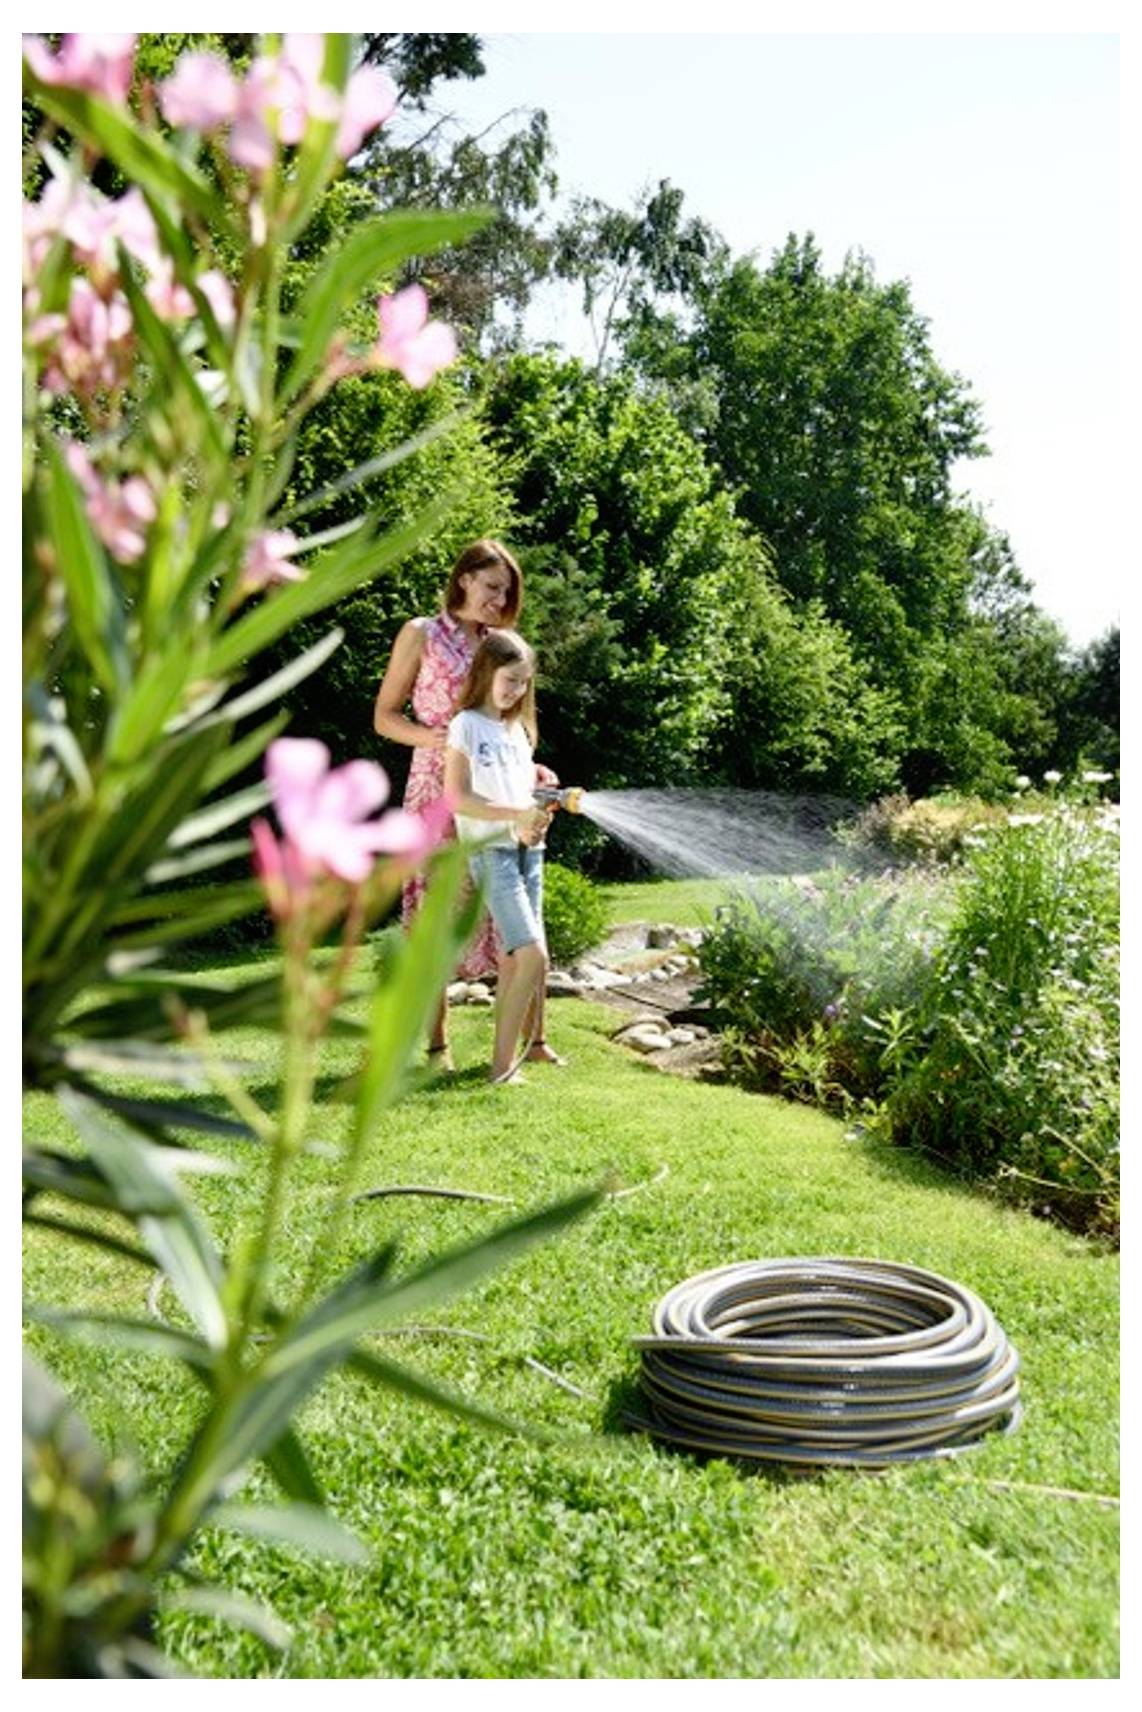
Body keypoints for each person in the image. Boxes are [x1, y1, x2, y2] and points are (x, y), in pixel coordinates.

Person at [372, 539, 560, 1068]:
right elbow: (384, 717)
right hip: (436, 787)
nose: (499, 600)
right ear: (463, 580)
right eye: (492, 586)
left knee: (517, 906)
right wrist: (439, 742)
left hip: (499, 790)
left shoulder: (504, 644)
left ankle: (535, 1041)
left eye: (507, 592)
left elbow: (516, 724)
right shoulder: (421, 634)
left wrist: (531, 770)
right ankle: (437, 1046)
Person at [444, 630, 562, 1085]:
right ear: (486, 671)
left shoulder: (518, 731)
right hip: (491, 852)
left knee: (523, 960)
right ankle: (501, 1069)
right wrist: (516, 815)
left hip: (529, 854)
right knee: (530, 954)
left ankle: (505, 1062)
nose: (515, 691)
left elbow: (521, 794)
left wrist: (541, 809)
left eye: (523, 684)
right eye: (509, 680)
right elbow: (457, 797)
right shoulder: (467, 724)